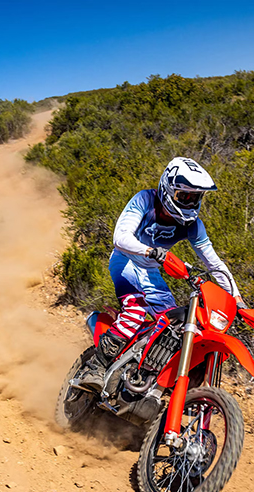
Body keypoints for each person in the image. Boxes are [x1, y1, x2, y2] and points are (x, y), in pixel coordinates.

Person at [82, 156, 245, 387]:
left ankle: (145, 376)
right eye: (184, 196)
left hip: (151, 272)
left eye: (195, 197)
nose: (189, 203)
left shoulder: (193, 225)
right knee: (135, 310)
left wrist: (237, 298)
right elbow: (120, 237)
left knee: (174, 327)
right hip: (125, 261)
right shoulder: (145, 200)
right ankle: (95, 368)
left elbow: (214, 264)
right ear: (168, 188)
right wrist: (150, 251)